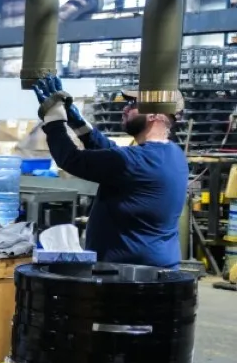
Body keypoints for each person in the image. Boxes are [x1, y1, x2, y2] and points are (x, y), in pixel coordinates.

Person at [33, 76, 187, 269]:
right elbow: (112, 153)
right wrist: (77, 121)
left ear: (153, 114)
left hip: (132, 280)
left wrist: (53, 118)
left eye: (132, 104)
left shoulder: (137, 161)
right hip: (152, 271)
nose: (125, 108)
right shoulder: (171, 154)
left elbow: (71, 159)